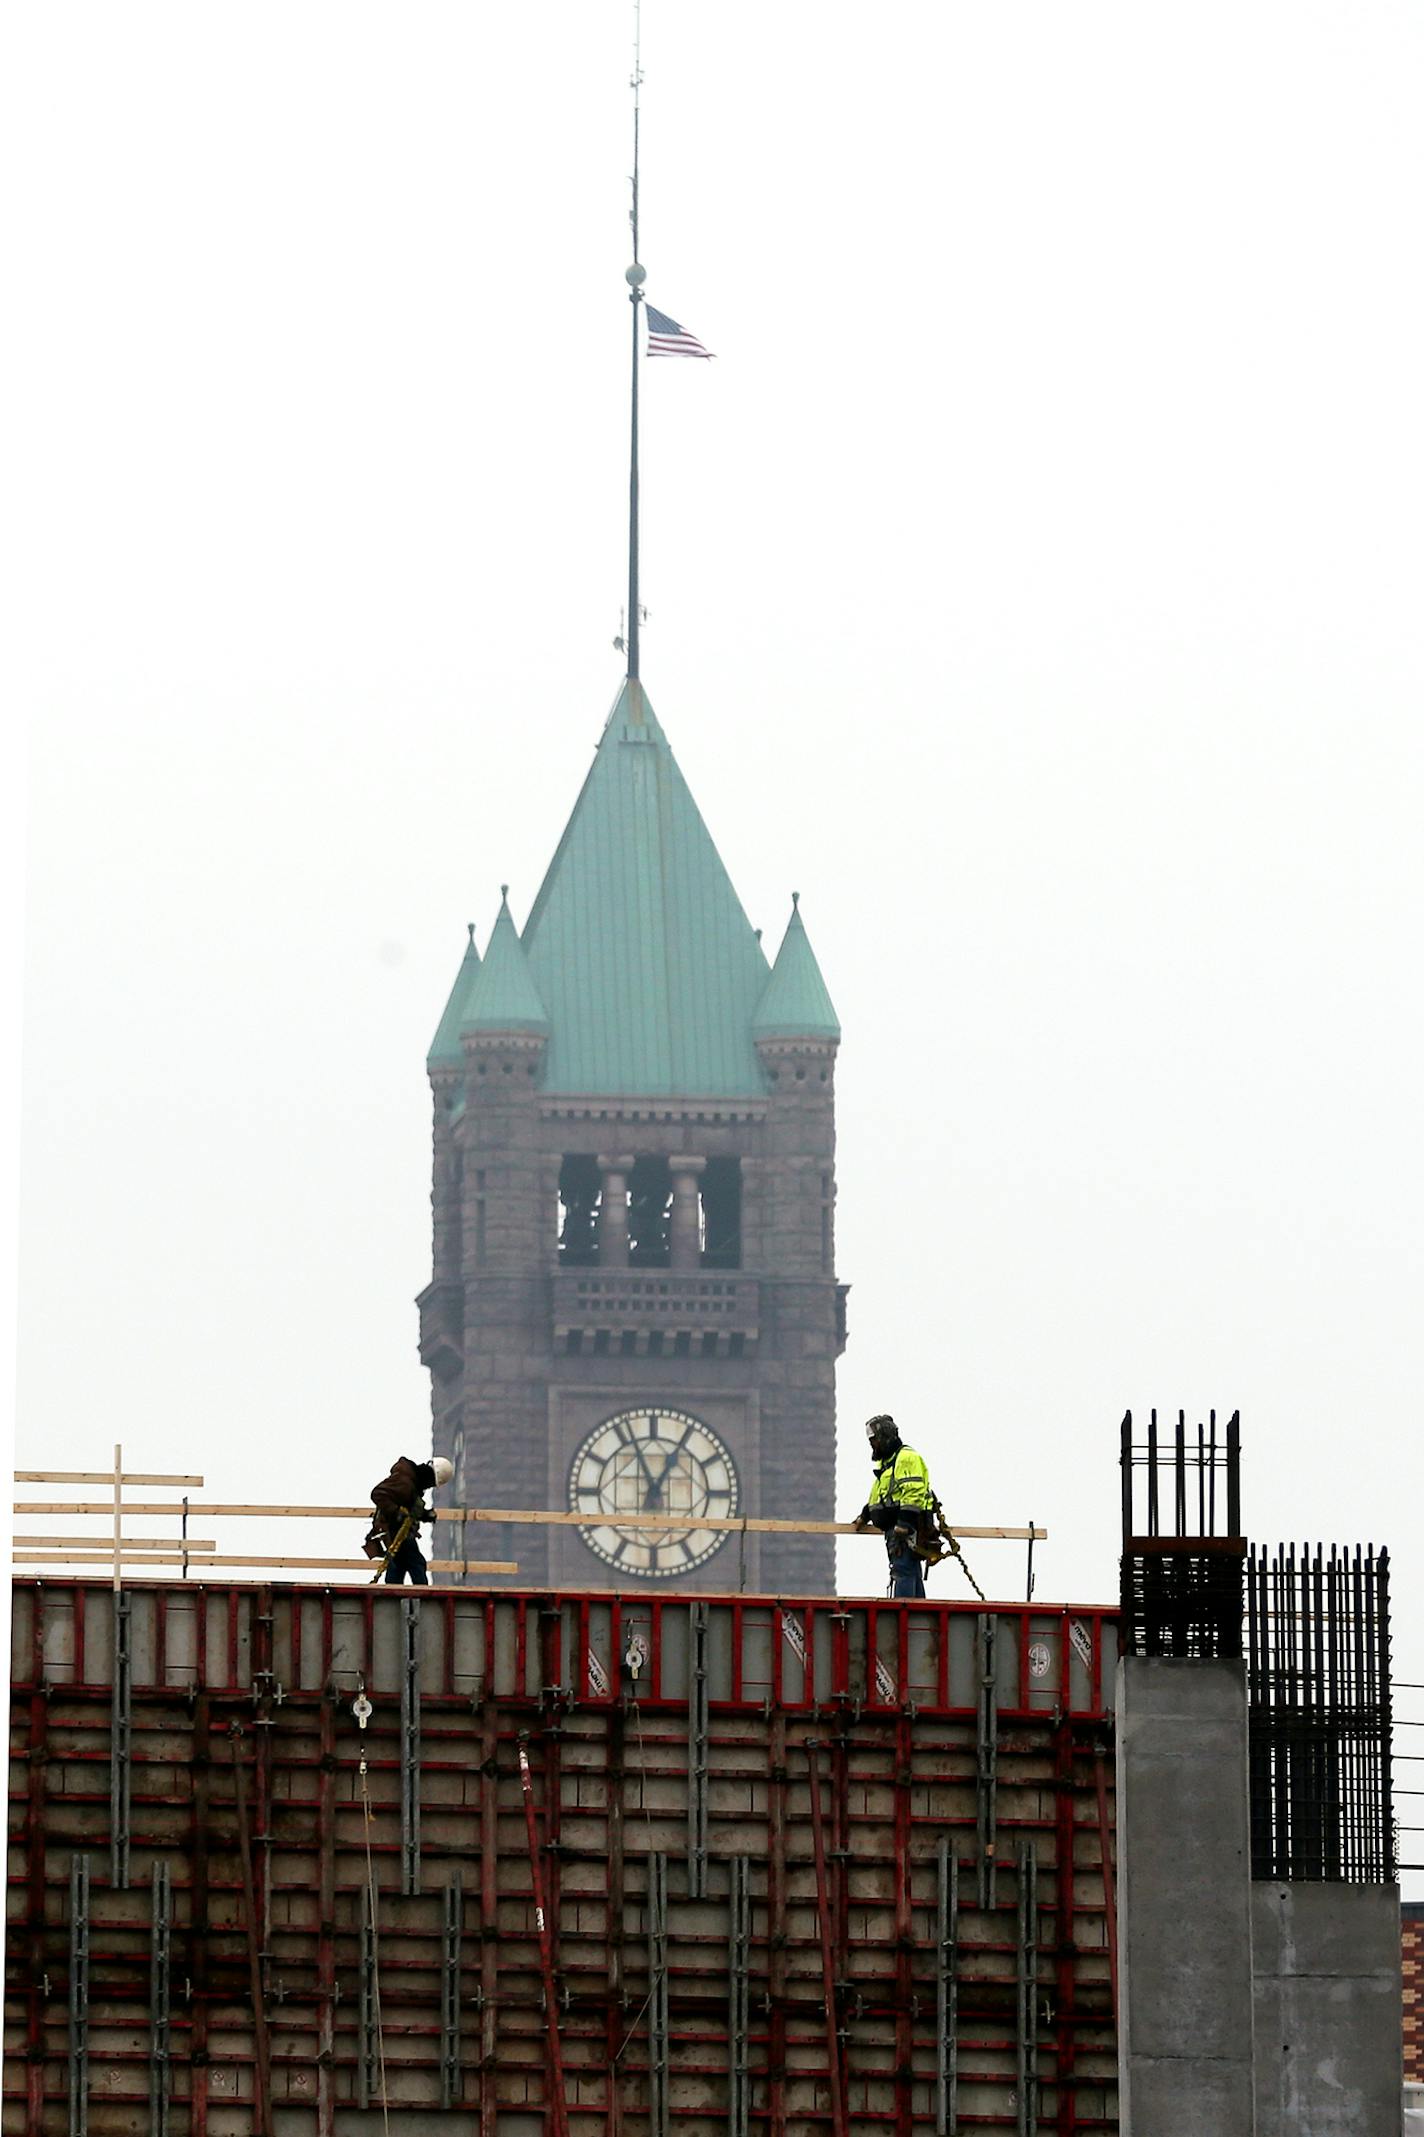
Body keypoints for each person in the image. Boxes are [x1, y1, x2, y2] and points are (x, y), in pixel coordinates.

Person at [854, 1414, 934, 1599]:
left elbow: (913, 1492)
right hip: (896, 1528)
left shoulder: (905, 1458)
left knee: (903, 1570)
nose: (872, 1445)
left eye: (874, 1440)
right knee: (909, 1571)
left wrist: (904, 1524)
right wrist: (865, 1515)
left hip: (907, 1528)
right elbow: (883, 1496)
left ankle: (905, 1615)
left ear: (884, 1437)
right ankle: (918, 1615)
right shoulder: (888, 1464)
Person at [367, 1454, 453, 1585]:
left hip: (396, 1531)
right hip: (395, 1531)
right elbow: (377, 1494)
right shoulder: (405, 1483)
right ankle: (422, 1596)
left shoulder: (412, 1481)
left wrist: (424, 1514)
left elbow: (409, 1504)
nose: (429, 1487)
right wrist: (396, 1512)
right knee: (416, 1563)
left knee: (398, 1564)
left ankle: (392, 1595)